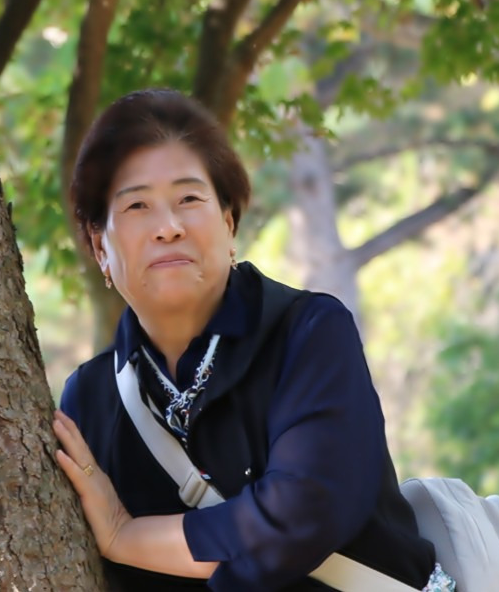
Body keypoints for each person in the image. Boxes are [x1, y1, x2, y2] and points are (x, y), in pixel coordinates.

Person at [53, 89, 453, 591]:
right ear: (99, 247)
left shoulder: (309, 333)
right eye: (137, 205)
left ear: (228, 222)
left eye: (189, 199)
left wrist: (124, 535)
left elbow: (299, 519)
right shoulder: (89, 401)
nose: (168, 227)